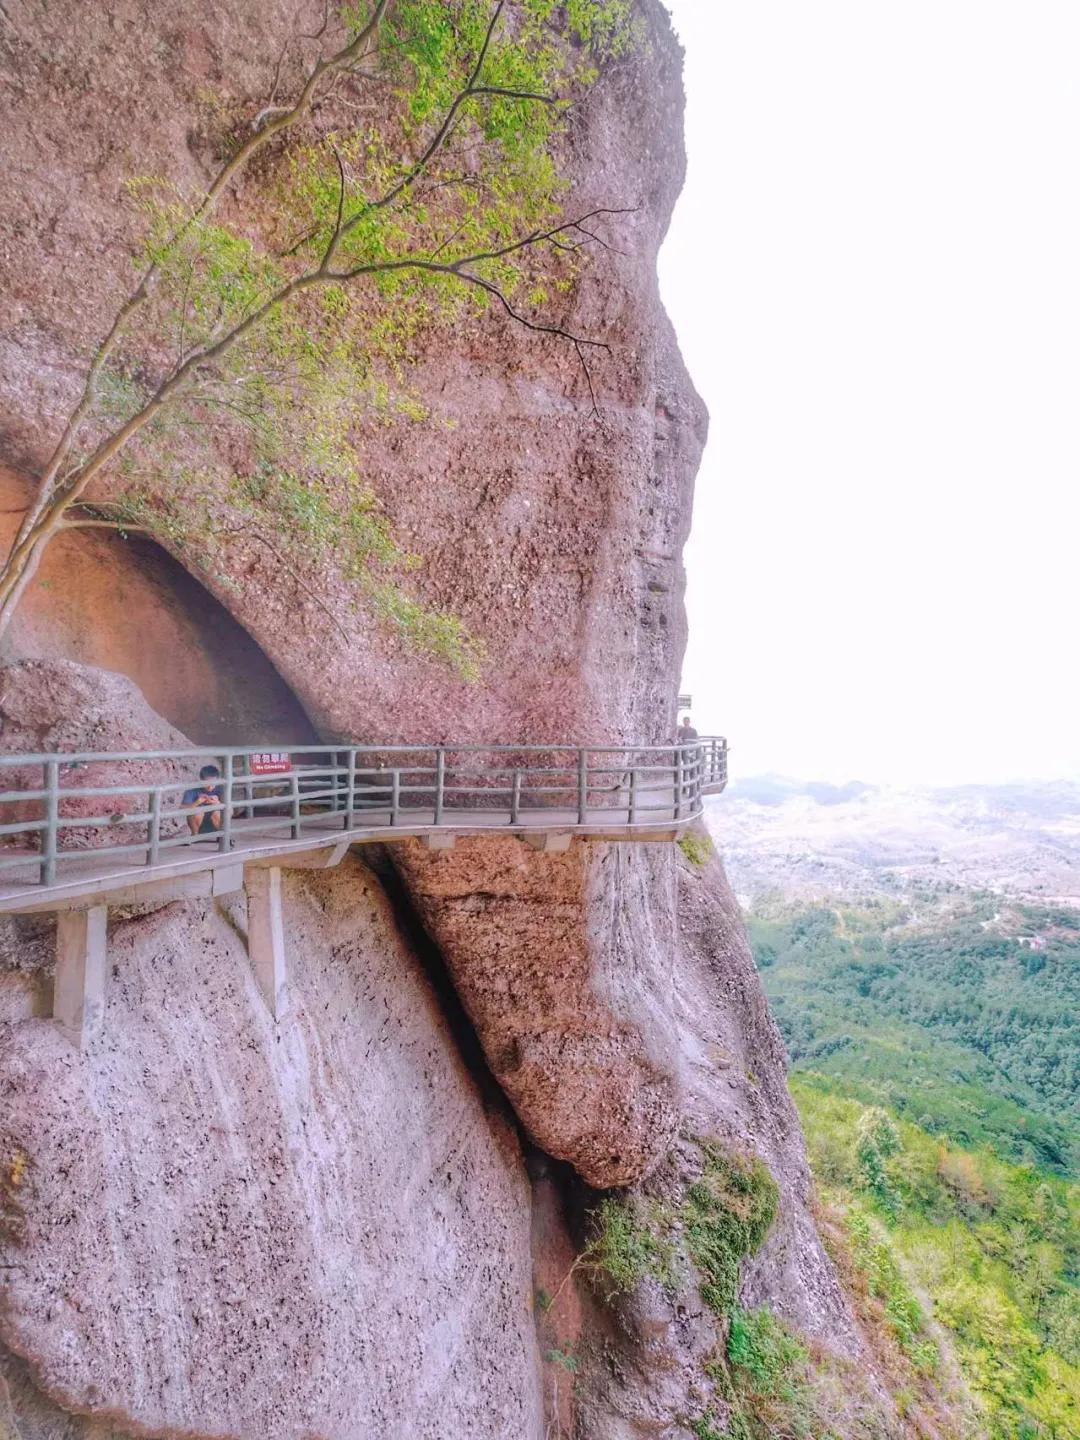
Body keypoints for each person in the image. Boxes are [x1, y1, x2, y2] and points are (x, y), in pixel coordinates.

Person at [182, 764, 225, 837]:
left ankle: (221, 835)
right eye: (207, 783)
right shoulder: (192, 789)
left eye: (213, 784)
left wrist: (218, 803)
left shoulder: (221, 789)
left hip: (217, 823)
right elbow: (181, 809)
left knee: (217, 813)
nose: (210, 787)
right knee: (198, 812)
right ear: (201, 780)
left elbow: (231, 811)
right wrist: (196, 803)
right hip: (196, 824)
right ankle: (195, 836)